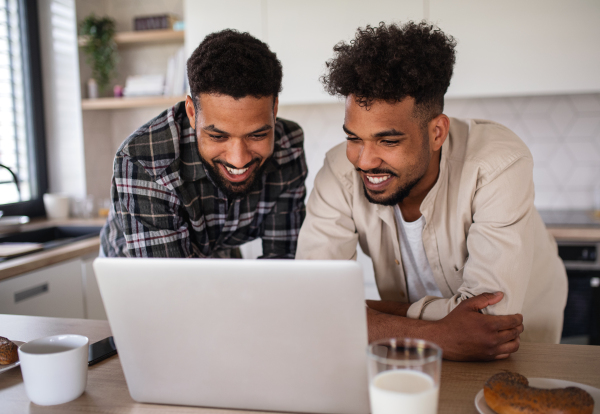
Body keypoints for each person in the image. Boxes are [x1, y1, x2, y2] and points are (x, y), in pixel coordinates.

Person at [297, 22, 567, 360]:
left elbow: (488, 321)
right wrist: (436, 333)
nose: (363, 160)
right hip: (416, 346)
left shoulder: (498, 163)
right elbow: (309, 302)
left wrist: (360, 313)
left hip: (518, 340)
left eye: (389, 140)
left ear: (437, 132)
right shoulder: (338, 172)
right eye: (353, 138)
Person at [100, 30, 307, 259]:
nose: (238, 160)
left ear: (275, 109)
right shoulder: (145, 161)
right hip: (138, 272)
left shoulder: (288, 146)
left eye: (256, 136)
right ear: (191, 112)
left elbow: (283, 262)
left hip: (219, 256)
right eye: (218, 137)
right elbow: (170, 286)